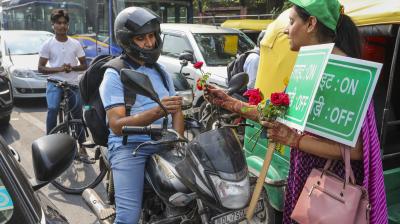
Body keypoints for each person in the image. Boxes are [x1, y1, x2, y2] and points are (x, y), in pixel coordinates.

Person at [205, 0, 387, 223]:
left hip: (333, 192)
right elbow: (278, 114)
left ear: (311, 23)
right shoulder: (311, 64)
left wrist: (293, 139)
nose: (285, 29)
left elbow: (356, 151)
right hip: (310, 182)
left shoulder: (341, 69)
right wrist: (232, 103)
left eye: (291, 22)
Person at [99, 7, 184, 223]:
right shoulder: (114, 74)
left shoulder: (160, 71)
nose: (149, 43)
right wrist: (158, 110)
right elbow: (116, 125)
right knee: (128, 218)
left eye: (151, 36)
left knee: (192, 197)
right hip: (130, 146)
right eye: (141, 38)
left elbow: (177, 110)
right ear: (128, 41)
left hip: (164, 141)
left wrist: (178, 139)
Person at [38, 9, 87, 146]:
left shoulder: (75, 44)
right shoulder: (47, 44)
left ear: (68, 25)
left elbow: (84, 65)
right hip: (54, 83)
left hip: (72, 83)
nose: (62, 26)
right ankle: (49, 143)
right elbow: (41, 68)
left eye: (65, 23)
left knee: (77, 114)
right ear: (53, 25)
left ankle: (82, 144)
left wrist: (72, 68)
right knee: (53, 109)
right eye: (58, 23)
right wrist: (59, 69)